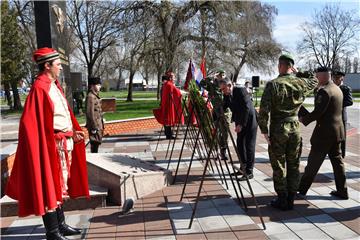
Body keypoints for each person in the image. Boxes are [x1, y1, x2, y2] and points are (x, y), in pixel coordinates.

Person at [5, 47, 89, 240]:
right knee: (49, 185)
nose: (60, 68)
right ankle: (52, 232)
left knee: (59, 186)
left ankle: (61, 225)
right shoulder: (39, 88)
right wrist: (45, 142)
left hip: (62, 144)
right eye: (58, 65)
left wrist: (71, 132)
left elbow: (60, 114)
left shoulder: (54, 85)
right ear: (47, 65)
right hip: (50, 146)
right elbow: (30, 123)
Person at [258, 53, 317, 211]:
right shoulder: (300, 83)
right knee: (293, 163)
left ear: (280, 66)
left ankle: (282, 198)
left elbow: (263, 111)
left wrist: (264, 130)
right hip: (295, 128)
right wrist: (299, 72)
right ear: (291, 67)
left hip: (279, 129)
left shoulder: (273, 84)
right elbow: (314, 79)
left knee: (279, 165)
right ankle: (291, 197)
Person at [298, 67, 348, 199]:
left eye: (317, 77)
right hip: (337, 132)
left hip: (324, 134)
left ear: (322, 76)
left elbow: (318, 113)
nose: (315, 79)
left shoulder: (325, 92)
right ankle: (343, 190)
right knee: (338, 163)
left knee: (313, 162)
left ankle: (301, 190)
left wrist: (304, 119)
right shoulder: (337, 88)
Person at [220, 78, 257, 180]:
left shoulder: (240, 90)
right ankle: (243, 168)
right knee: (240, 144)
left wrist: (241, 124)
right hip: (239, 121)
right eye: (221, 90)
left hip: (249, 121)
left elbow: (246, 108)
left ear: (229, 85)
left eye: (223, 89)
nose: (223, 91)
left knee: (249, 145)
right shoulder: (227, 94)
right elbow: (224, 106)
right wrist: (215, 115)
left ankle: (249, 171)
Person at [200, 70, 231, 160]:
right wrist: (210, 77)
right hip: (217, 111)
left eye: (223, 75)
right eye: (220, 75)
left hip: (226, 112)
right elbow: (201, 83)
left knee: (225, 132)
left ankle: (223, 151)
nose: (221, 77)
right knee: (216, 132)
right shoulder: (212, 84)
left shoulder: (227, 82)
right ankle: (216, 150)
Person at [154, 71, 184, 139]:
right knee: (168, 119)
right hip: (168, 105)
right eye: (173, 77)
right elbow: (178, 93)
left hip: (166, 105)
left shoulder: (166, 84)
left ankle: (168, 134)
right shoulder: (169, 85)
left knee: (167, 120)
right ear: (170, 78)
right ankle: (169, 135)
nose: (174, 79)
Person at [333, 71, 353, 158]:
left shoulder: (345, 88)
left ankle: (342, 153)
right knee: (332, 135)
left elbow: (349, 101)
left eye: (338, 78)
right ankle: (333, 151)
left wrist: (338, 104)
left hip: (341, 116)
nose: (336, 79)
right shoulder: (330, 87)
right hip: (332, 116)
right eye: (334, 78)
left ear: (342, 78)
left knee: (342, 136)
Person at [86, 77, 104, 153]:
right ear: (92, 86)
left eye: (100, 85)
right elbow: (89, 113)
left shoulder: (95, 96)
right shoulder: (91, 97)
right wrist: (94, 127)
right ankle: (94, 160)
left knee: (97, 143)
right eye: (98, 85)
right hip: (94, 125)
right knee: (94, 144)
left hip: (98, 124)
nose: (100, 86)